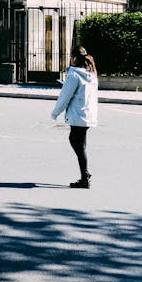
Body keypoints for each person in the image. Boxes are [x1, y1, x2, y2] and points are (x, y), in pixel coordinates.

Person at [51, 45, 99, 188]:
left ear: (75, 58)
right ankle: (85, 174)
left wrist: (55, 113)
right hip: (88, 114)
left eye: (71, 57)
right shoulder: (91, 73)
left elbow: (65, 96)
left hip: (78, 115)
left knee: (77, 143)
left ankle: (85, 177)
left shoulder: (74, 75)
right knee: (79, 143)